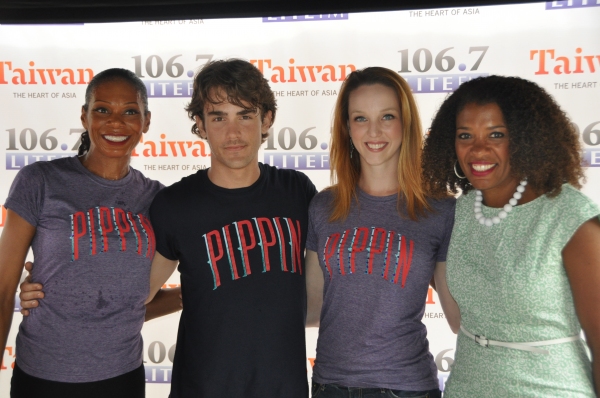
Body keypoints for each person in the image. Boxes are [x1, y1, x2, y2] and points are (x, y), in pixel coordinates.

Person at [0, 68, 180, 397]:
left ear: (146, 121)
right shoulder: (40, 180)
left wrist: (191, 294)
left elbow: (131, 304)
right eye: (102, 110)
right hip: (42, 377)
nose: (115, 122)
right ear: (85, 117)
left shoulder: (159, 199)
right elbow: (3, 287)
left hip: (122, 377)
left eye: (129, 111)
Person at [143, 59, 317, 397]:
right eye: (218, 117)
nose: (233, 133)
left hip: (284, 388)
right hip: (203, 388)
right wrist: (53, 294)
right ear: (201, 124)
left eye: (245, 115)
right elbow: (134, 297)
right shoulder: (176, 204)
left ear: (266, 119)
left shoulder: (297, 192)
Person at [422, 75, 600, 397]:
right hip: (466, 389)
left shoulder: (569, 216)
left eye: (496, 135)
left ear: (526, 139)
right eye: (465, 135)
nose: (478, 149)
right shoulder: (457, 214)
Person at [304, 67, 455, 398]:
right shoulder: (324, 206)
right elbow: (311, 308)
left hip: (407, 388)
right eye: (360, 118)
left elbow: (458, 317)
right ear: (346, 128)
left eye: (387, 116)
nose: (374, 131)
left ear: (406, 123)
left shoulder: (439, 210)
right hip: (331, 386)